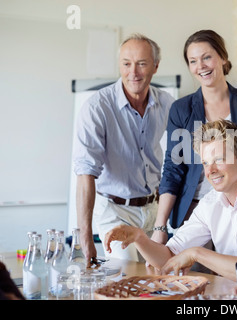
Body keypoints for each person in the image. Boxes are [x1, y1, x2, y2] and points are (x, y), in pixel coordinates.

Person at [104, 119, 237, 284]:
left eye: (219, 159)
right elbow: (168, 258)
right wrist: (140, 238)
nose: (210, 171)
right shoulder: (210, 203)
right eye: (205, 162)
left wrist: (196, 253)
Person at [151, 30, 237, 244]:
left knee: (235, 275)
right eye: (193, 61)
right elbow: (173, 168)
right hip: (195, 210)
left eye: (207, 57)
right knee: (191, 276)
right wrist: (160, 226)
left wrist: (234, 142)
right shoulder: (181, 109)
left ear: (222, 57)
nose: (201, 66)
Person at [72, 33, 175, 263]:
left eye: (141, 63)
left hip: (154, 209)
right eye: (126, 64)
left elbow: (185, 155)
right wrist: (86, 240)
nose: (133, 72)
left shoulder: (167, 104)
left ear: (155, 66)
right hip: (115, 211)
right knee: (126, 275)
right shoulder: (97, 108)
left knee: (158, 276)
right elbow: (85, 174)